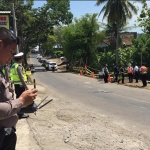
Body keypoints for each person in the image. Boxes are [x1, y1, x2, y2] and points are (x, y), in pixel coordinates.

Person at [0, 27, 38, 150]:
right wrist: (21, 101)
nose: (12, 57)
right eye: (11, 51)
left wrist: (21, 107)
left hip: (6, 135)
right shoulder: (15, 66)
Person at [10, 52, 30, 119]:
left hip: (16, 84)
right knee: (21, 100)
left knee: (18, 98)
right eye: (21, 58)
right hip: (21, 85)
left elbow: (12, 76)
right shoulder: (18, 66)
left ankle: (19, 112)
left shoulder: (13, 65)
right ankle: (20, 114)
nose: (22, 59)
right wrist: (26, 86)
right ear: (20, 59)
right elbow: (21, 77)